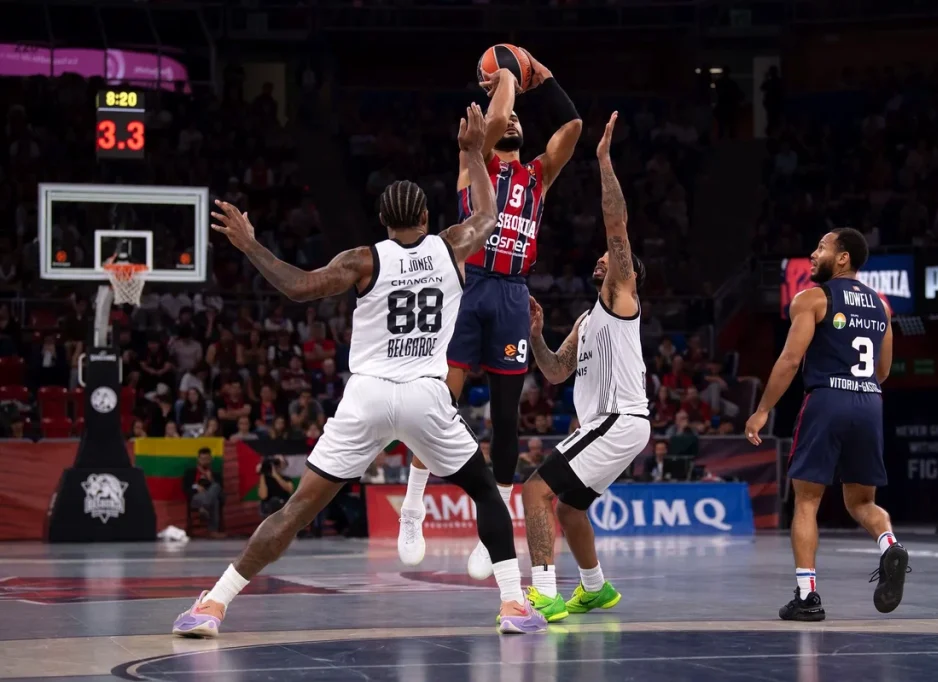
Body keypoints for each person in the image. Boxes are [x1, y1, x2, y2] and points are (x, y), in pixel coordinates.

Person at [173, 103, 545, 638]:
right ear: (425, 219)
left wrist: (250, 244)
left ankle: (214, 604)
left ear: (384, 223)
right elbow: (487, 216)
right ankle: (512, 604)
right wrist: (470, 153)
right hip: (424, 396)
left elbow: (297, 287)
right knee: (487, 491)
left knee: (296, 511)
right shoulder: (451, 247)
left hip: (366, 397)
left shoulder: (362, 260)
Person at [400, 51, 583, 582]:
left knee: (507, 418)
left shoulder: (537, 177)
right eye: (510, 117)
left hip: (511, 294)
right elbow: (499, 115)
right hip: (469, 286)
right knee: (439, 401)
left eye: (522, 119)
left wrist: (544, 78)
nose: (514, 121)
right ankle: (412, 506)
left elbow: (572, 127)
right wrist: (507, 73)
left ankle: (496, 520)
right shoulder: (474, 162)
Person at [517, 113, 650, 622]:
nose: (602, 260)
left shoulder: (621, 297)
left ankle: (544, 594)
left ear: (625, 272)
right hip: (609, 424)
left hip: (620, 419)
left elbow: (616, 225)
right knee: (569, 509)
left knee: (535, 490)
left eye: (609, 259)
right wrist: (536, 336)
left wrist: (603, 160)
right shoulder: (587, 319)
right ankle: (595, 589)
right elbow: (555, 372)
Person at [744, 228, 910, 622]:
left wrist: (762, 409)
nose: (813, 253)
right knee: (861, 502)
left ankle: (807, 596)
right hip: (869, 402)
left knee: (806, 501)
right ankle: (889, 545)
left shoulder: (813, 299)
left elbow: (789, 360)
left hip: (827, 399)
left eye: (821, 247)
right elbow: (884, 371)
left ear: (843, 258)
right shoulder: (882, 306)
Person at [182, 448, 223, 534]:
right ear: (198, 459)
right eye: (203, 459)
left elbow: (220, 489)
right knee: (213, 500)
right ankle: (213, 531)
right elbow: (185, 487)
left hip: (209, 498)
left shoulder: (216, 474)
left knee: (215, 489)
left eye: (207, 459)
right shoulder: (190, 472)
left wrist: (211, 479)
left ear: (211, 459)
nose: (205, 461)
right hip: (196, 498)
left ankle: (204, 507)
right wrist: (196, 487)